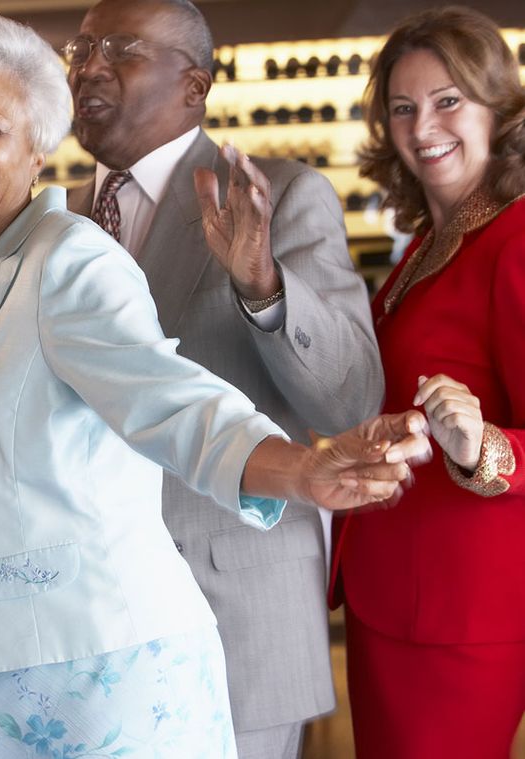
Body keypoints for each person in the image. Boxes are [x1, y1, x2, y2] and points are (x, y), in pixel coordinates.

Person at [0, 13, 430, 757]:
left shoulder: (68, 253)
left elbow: (165, 396)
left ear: (35, 148)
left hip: (100, 679)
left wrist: (303, 469)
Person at [329, 7, 525, 757]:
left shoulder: (512, 242)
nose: (422, 127)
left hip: (460, 614)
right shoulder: (432, 242)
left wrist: (481, 447)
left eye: (448, 101)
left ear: (497, 109)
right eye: (403, 108)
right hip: (393, 597)